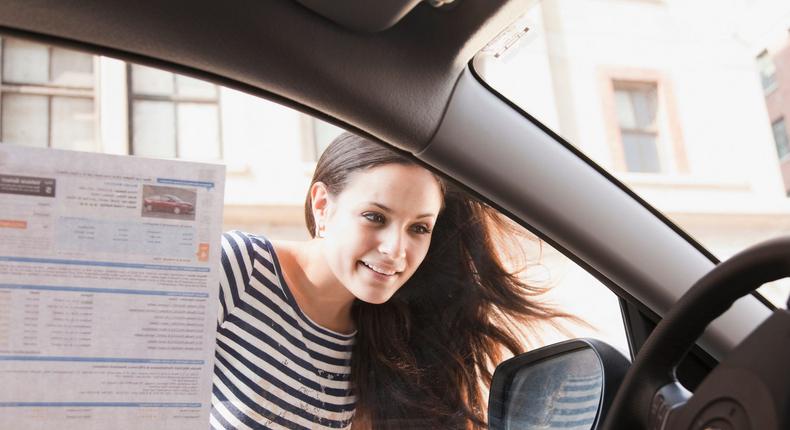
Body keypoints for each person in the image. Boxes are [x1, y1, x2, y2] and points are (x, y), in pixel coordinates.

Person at [210, 132, 571, 430]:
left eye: (419, 228)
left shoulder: (385, 339)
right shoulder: (236, 268)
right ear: (322, 205)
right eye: (374, 217)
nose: (396, 250)